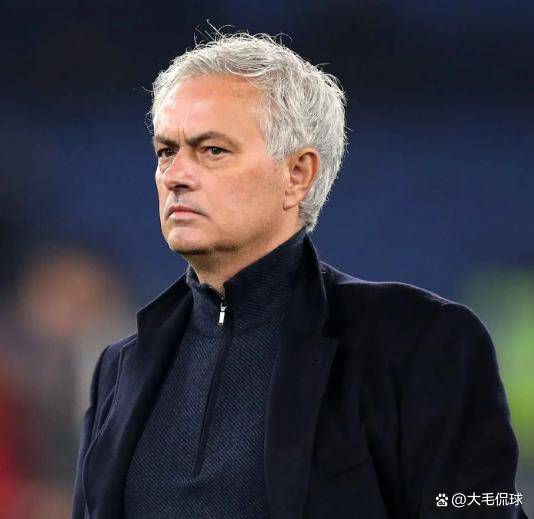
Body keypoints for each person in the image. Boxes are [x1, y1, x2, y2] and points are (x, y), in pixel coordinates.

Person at [72, 32, 528, 519]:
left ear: (298, 174)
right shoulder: (120, 367)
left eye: (212, 150)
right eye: (166, 151)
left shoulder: (419, 342)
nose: (174, 175)